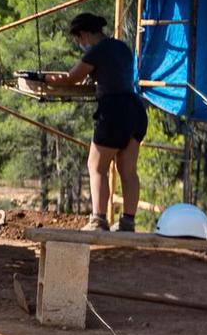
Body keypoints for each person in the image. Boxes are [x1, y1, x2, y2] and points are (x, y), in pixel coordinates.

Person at [46, 12, 147, 231]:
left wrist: (45, 79)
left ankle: (98, 219)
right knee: (127, 170)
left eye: (78, 39)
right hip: (135, 110)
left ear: (83, 34)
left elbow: (71, 78)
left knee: (96, 166)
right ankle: (127, 221)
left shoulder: (97, 50)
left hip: (114, 111)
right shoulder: (121, 47)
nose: (80, 44)